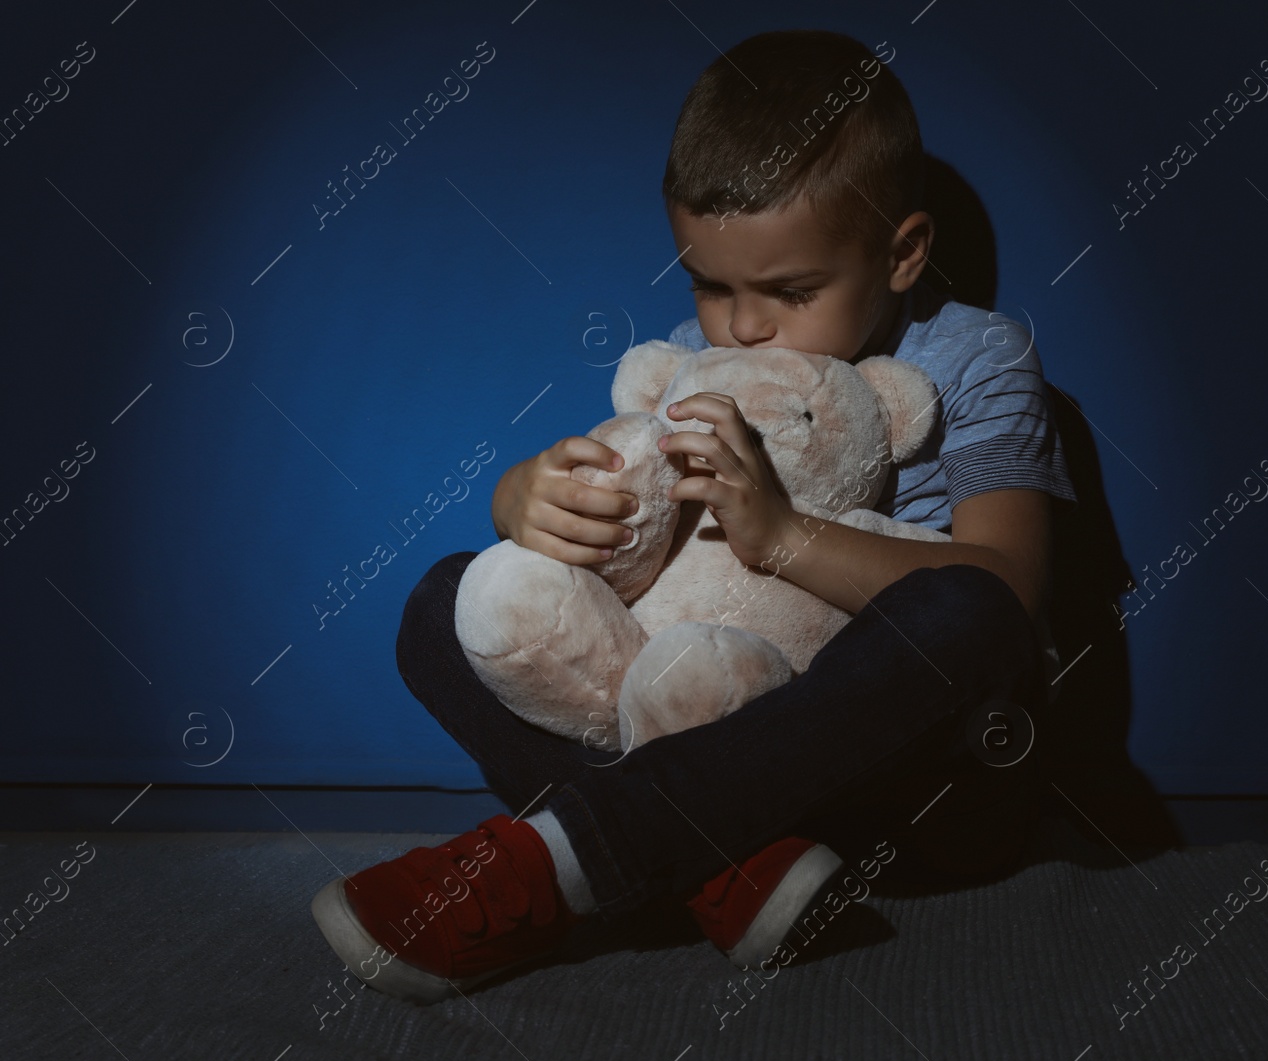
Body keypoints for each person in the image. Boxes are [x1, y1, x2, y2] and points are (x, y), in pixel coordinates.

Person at [310, 28, 1079, 1006]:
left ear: (901, 253)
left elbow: (1009, 590)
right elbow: (624, 553)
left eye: (790, 290)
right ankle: (721, 864)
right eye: (710, 284)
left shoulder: (976, 355)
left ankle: (559, 864)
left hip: (912, 789)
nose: (742, 325)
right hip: (707, 758)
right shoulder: (688, 356)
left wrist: (782, 535)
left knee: (961, 612)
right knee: (443, 597)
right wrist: (526, 498)